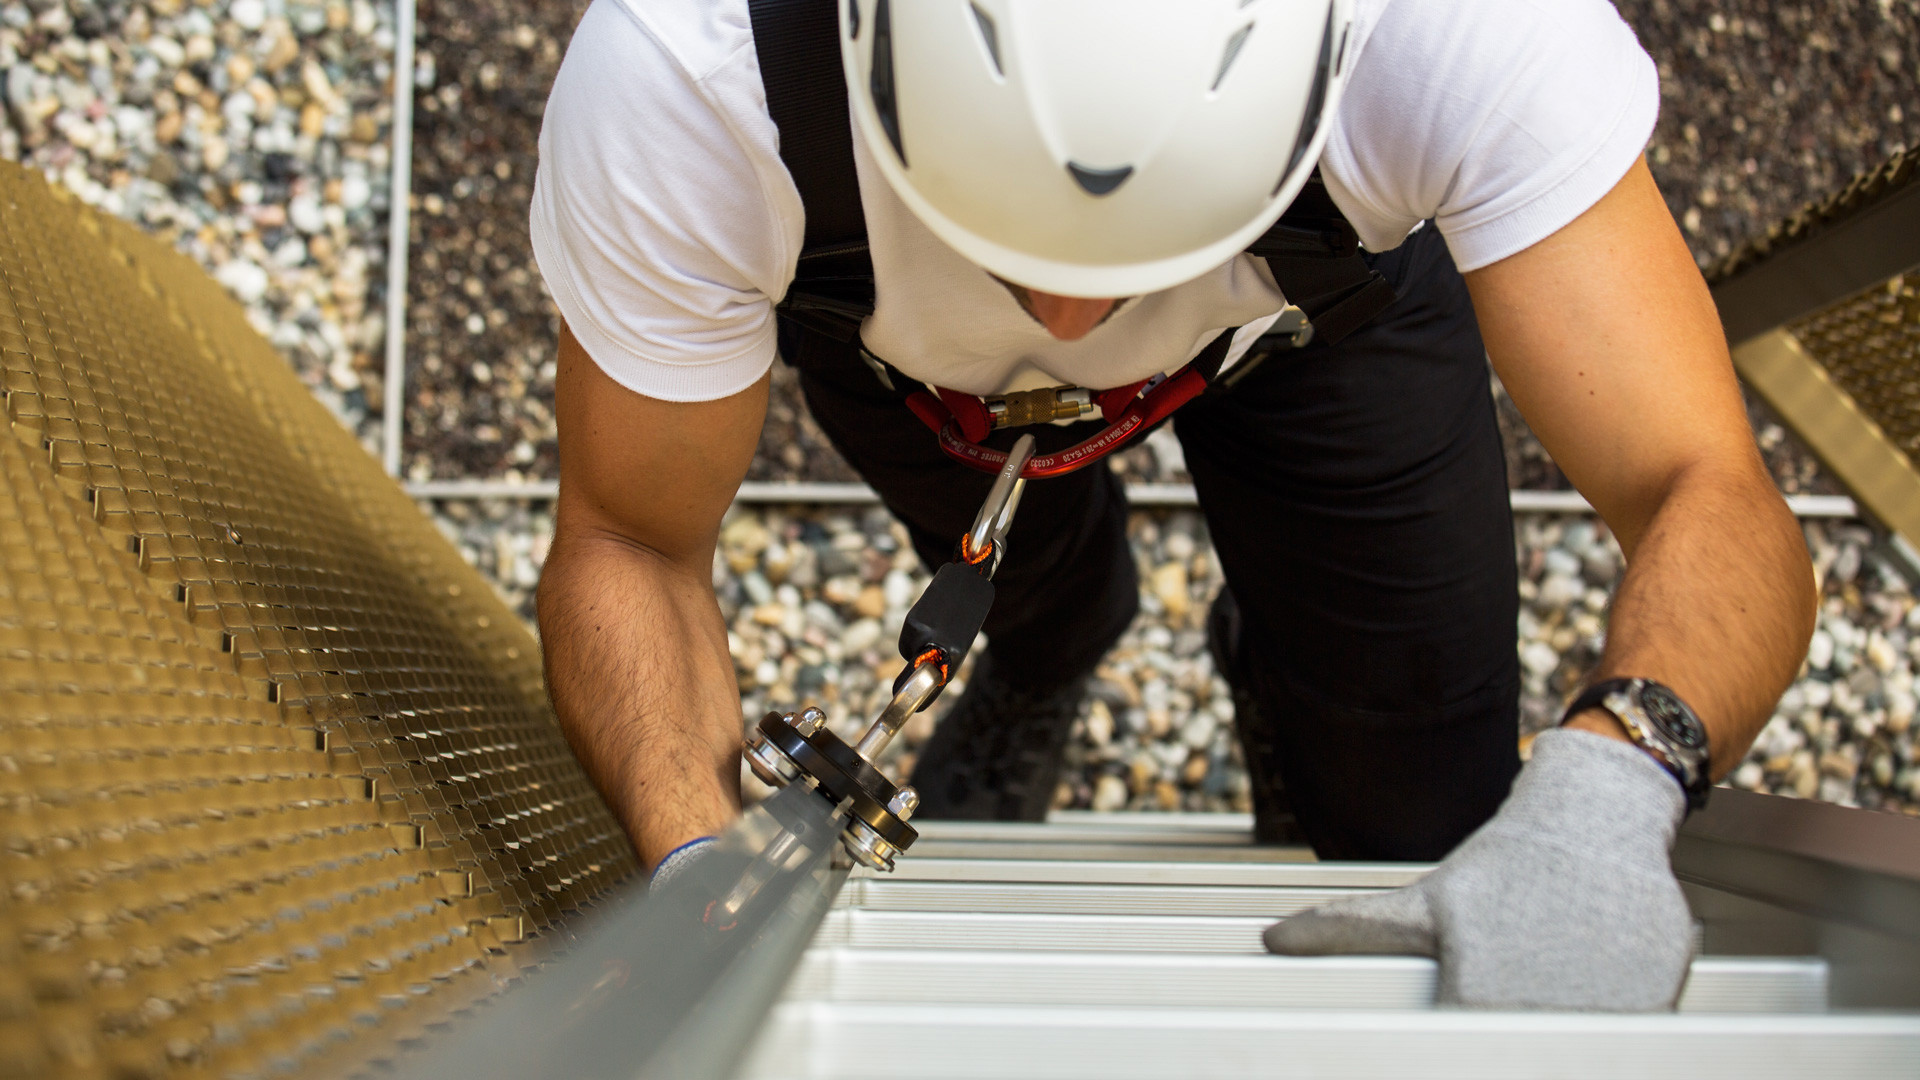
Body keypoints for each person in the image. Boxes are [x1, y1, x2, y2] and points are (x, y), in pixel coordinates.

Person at [528, 0, 1815, 1009]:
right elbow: (631, 539)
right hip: (903, 354)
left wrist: (1616, 778)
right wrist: (699, 875)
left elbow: (1703, 485)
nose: (1079, 326)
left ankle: (1283, 654)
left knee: (1417, 818)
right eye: (1002, 238)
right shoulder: (693, 79)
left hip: (1306, 321)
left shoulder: (1456, 32)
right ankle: (1049, 648)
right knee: (1041, 593)